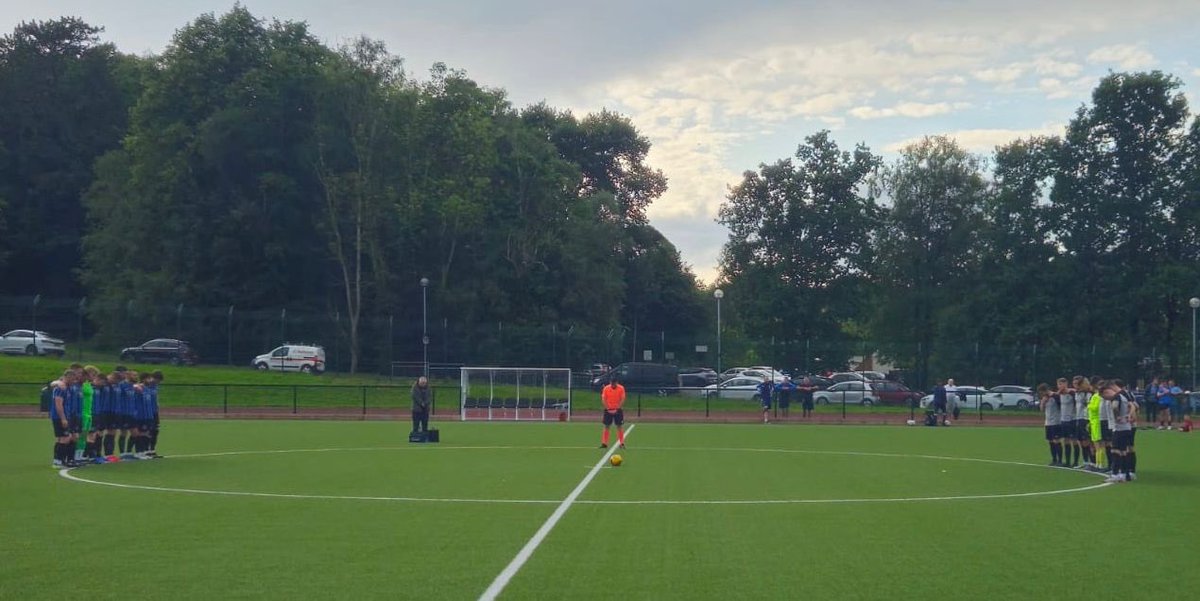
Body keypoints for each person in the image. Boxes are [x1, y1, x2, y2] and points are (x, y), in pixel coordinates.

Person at [1038, 383, 1063, 466]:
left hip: (1056, 422)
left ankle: (1060, 460)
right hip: (1048, 422)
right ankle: (1054, 459)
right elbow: (1041, 409)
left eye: (1042, 392)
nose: (1042, 394)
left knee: (1057, 441)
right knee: (1051, 441)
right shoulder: (1044, 398)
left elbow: (1061, 407)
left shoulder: (1055, 396)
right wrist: (1043, 402)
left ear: (1046, 390)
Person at [1056, 378, 1078, 467]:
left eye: (1063, 384)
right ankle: (1067, 461)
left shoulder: (1072, 393)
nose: (1061, 386)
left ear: (1066, 384)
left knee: (1074, 441)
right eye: (1059, 384)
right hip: (1063, 420)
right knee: (1065, 440)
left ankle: (1076, 462)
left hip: (1072, 419)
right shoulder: (1059, 395)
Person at [600, 378, 626, 449]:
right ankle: (604, 443)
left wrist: (617, 408)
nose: (613, 385)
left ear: (616, 382)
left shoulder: (621, 388)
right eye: (611, 383)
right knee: (606, 426)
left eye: (614, 383)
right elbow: (603, 399)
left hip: (618, 410)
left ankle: (622, 443)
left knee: (619, 426)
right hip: (608, 409)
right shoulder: (606, 388)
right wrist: (607, 408)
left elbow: (622, 398)